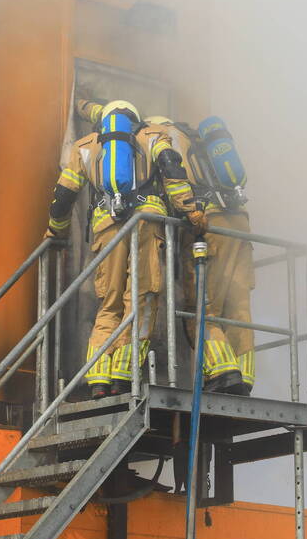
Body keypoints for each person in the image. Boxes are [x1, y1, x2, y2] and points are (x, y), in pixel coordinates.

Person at [46, 100, 206, 399]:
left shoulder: (85, 145)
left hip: (106, 228)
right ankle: (124, 371)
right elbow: (172, 170)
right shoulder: (152, 135)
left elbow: (64, 195)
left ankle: (98, 377)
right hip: (144, 225)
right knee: (142, 298)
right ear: (135, 117)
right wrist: (190, 209)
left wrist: (56, 229)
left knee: (109, 305)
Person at [143, 115, 254, 396]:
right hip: (239, 224)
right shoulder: (198, 141)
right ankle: (245, 375)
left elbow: (175, 183)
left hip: (209, 224)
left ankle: (223, 370)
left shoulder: (162, 140)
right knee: (237, 307)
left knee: (201, 308)